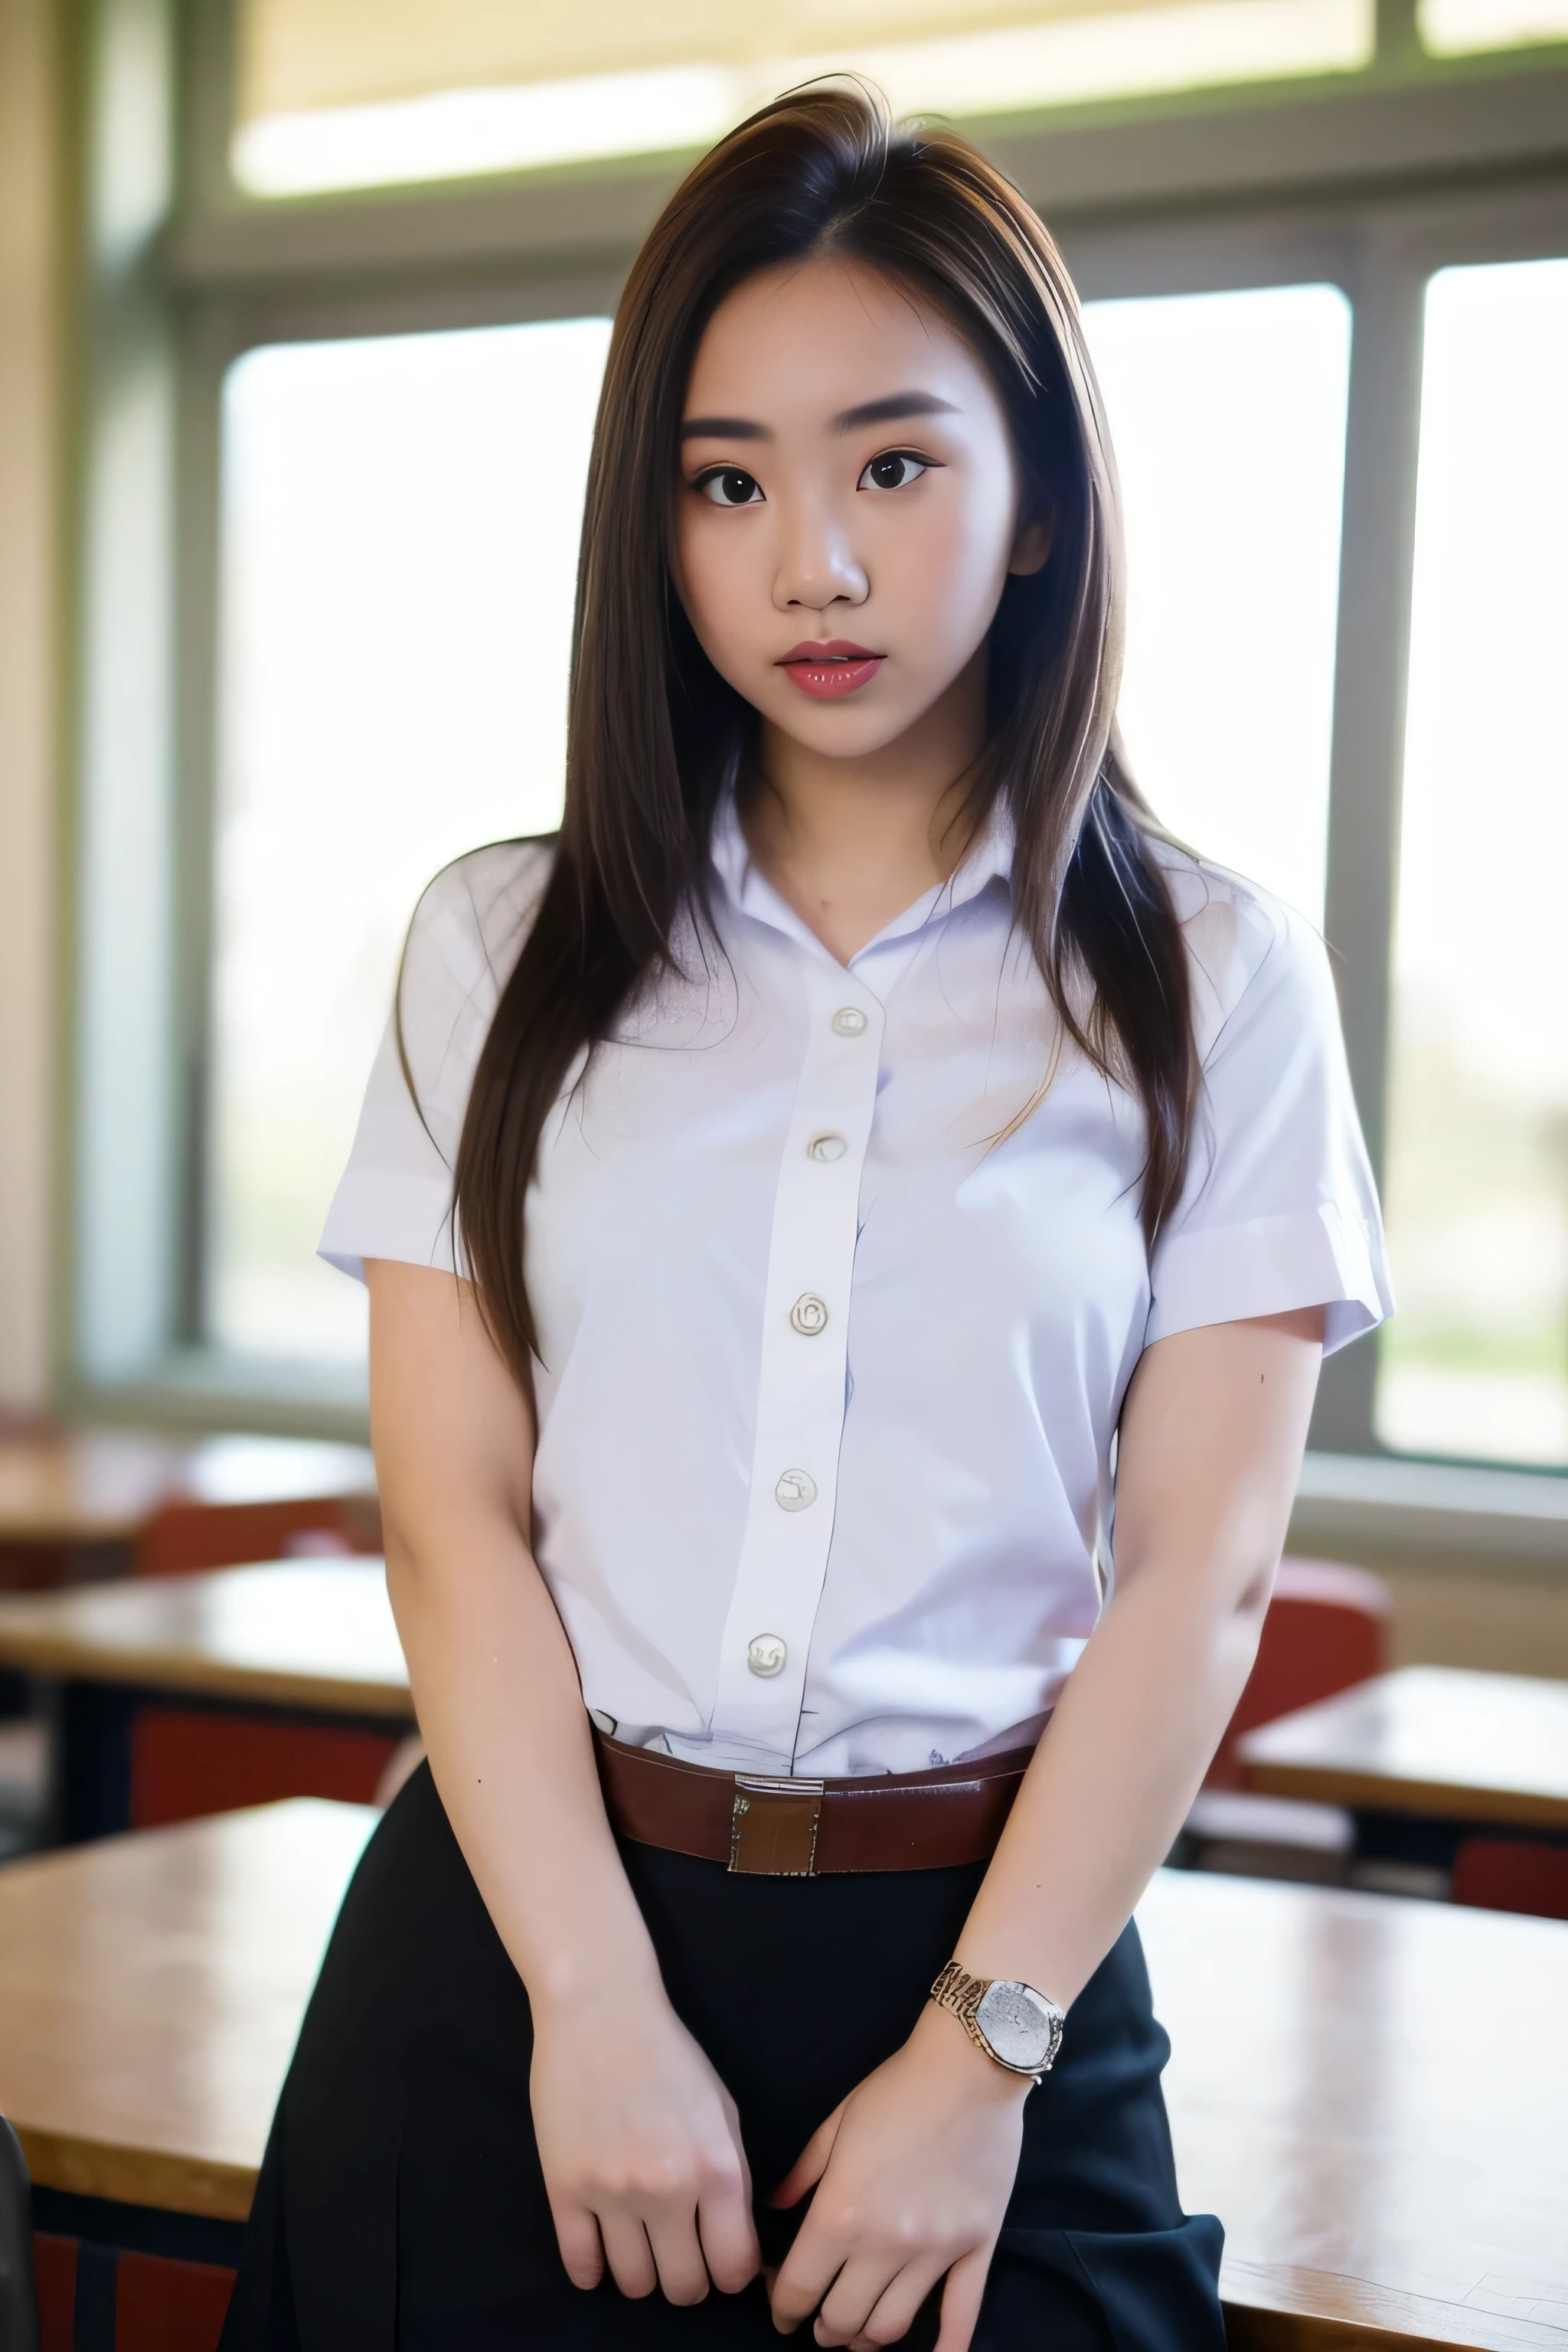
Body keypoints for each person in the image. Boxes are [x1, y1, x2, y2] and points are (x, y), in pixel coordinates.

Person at [220, 79, 1390, 2352]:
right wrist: (587, 2000)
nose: (811, 566)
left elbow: (1201, 1573)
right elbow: (455, 1522)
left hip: (987, 1966)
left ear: (1038, 497)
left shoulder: (1213, 981)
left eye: (893, 463)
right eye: (725, 482)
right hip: (518, 1952)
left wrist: (978, 2066)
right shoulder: (500, 947)